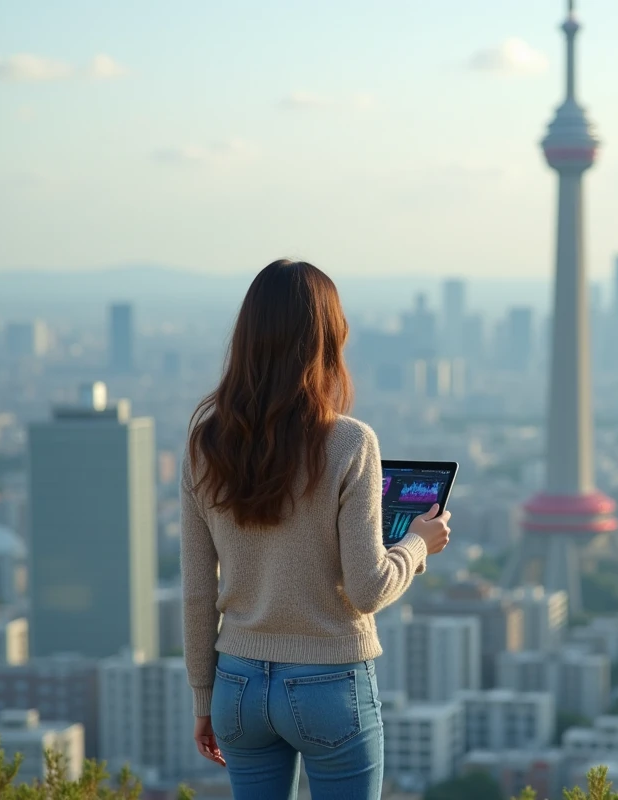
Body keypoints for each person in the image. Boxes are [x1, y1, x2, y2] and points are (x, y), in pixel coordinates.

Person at [181, 260, 451, 799]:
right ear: (327, 342)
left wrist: (204, 696)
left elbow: (195, 592)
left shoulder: (205, 445)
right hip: (329, 680)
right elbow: (368, 589)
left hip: (235, 684)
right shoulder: (351, 443)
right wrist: (419, 543)